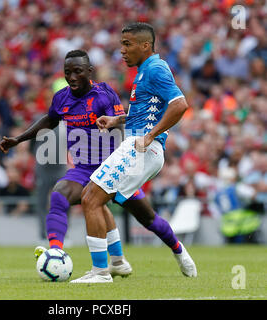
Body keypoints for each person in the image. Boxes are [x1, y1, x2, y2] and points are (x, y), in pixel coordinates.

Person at [71, 23, 197, 283]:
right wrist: (117, 120)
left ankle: (101, 272)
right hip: (140, 146)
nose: (122, 50)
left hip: (143, 147)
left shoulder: (156, 68)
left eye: (127, 44)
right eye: (121, 44)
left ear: (145, 45)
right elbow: (145, 115)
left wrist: (150, 135)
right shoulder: (143, 73)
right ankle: (178, 251)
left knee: (91, 198)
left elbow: (180, 104)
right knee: (133, 210)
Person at [0, 50, 143, 277]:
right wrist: (19, 139)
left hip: (110, 165)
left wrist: (120, 149)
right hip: (84, 167)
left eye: (77, 71)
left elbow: (120, 123)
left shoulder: (104, 94)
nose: (72, 77)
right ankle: (57, 252)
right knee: (59, 194)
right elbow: (49, 120)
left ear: (89, 71)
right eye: (67, 72)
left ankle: (170, 251)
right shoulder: (62, 97)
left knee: (148, 218)